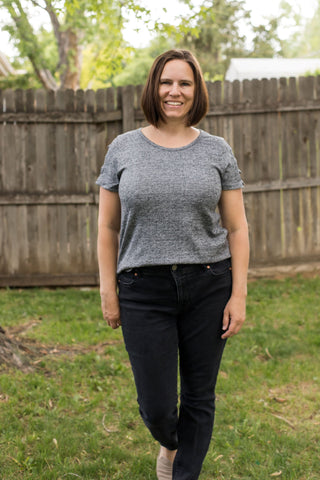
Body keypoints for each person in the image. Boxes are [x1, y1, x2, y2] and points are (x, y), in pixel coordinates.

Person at [96, 49, 249, 480]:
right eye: (166, 82)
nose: (174, 91)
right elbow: (107, 227)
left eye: (184, 83)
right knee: (158, 405)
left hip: (208, 282)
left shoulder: (217, 151)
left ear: (197, 90)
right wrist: (109, 290)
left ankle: (181, 474)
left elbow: (237, 228)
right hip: (143, 289)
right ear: (153, 88)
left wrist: (238, 294)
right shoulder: (123, 147)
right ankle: (170, 443)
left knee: (200, 396)